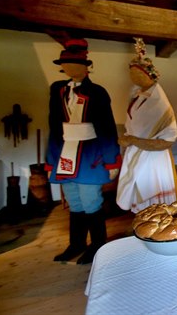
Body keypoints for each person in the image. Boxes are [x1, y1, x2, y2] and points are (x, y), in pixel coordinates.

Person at [46, 38, 121, 264]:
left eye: (73, 63)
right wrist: (51, 159)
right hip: (65, 155)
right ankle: (76, 244)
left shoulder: (98, 92)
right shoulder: (57, 89)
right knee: (75, 202)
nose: (68, 68)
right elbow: (53, 126)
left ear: (86, 66)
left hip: (90, 156)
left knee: (91, 202)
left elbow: (107, 130)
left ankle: (98, 247)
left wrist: (111, 162)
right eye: (64, 63)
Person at [116, 38, 177, 213]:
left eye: (137, 73)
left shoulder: (159, 103)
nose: (132, 77)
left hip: (153, 158)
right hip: (136, 151)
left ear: (148, 75)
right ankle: (143, 221)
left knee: (152, 192)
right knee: (138, 188)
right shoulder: (138, 96)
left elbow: (167, 139)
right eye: (131, 73)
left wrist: (132, 140)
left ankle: (156, 224)